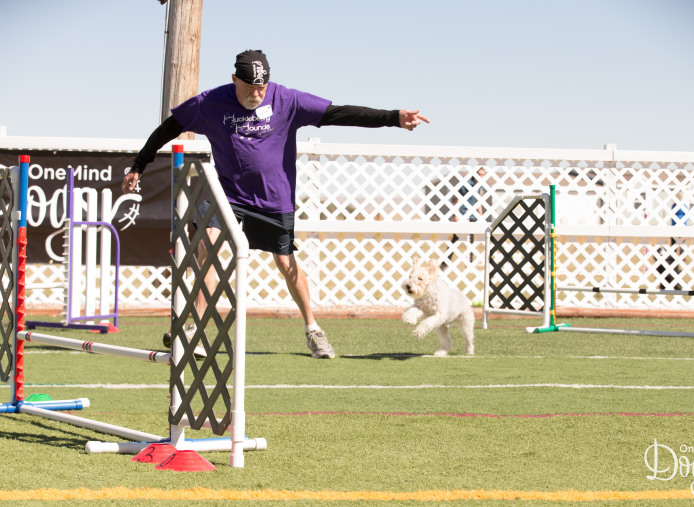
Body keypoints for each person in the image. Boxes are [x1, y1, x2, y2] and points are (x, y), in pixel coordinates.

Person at [122, 49, 430, 359]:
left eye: (262, 87)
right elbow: (169, 128)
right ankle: (197, 328)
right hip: (228, 194)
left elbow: (339, 113)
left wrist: (393, 118)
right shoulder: (210, 103)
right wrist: (139, 164)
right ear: (234, 80)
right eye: (250, 87)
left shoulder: (287, 100)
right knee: (208, 249)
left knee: (285, 263)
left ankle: (313, 328)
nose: (257, 94)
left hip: (274, 199)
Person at [443, 167, 486, 269]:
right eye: (479, 174)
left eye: (482, 175)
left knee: (471, 239)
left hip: (472, 215)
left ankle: (469, 263)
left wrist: (480, 215)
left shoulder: (480, 187)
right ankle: (445, 263)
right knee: (455, 238)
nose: (481, 176)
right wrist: (457, 214)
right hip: (463, 213)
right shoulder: (467, 184)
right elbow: (459, 198)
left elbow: (478, 202)